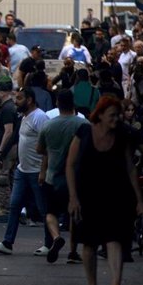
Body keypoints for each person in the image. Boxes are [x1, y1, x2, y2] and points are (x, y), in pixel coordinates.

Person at [66, 96, 143, 285]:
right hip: (87, 197)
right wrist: (73, 197)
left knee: (114, 240)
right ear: (99, 115)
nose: (117, 119)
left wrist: (139, 200)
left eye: (119, 115)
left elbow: (130, 168)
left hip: (115, 197)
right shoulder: (83, 133)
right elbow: (70, 165)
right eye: (113, 115)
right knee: (89, 244)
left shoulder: (121, 137)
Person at [0, 87, 51, 256]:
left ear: (29, 100)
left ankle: (49, 243)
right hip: (22, 171)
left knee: (43, 208)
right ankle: (7, 242)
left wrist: (43, 170)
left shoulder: (39, 117)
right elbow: (16, 138)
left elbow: (47, 146)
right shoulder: (24, 117)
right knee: (14, 205)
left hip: (36, 171)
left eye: (19, 98)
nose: (16, 102)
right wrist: (2, 156)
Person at [38, 90, 86, 264]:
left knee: (50, 212)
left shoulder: (48, 125)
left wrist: (43, 170)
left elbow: (40, 149)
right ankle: (73, 252)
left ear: (57, 103)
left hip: (53, 176)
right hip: (76, 178)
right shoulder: (83, 125)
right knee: (74, 215)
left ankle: (56, 236)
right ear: (73, 104)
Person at [0, 77, 18, 222]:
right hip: (9, 149)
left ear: (1, 92)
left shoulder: (7, 108)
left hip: (6, 150)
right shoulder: (9, 106)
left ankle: (5, 210)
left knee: (1, 179)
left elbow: (8, 131)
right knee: (7, 178)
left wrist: (0, 151)